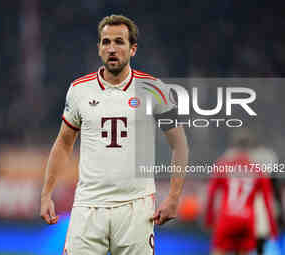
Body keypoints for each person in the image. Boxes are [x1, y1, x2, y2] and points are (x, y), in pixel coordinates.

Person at [40, 14, 189, 255]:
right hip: (89, 206)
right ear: (98, 48)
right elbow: (64, 144)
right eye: (106, 42)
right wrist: (46, 194)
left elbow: (179, 145)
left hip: (136, 208)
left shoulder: (154, 89)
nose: (112, 48)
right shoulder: (79, 90)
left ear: (133, 49)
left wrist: (173, 197)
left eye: (119, 42)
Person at [205, 129, 278, 255]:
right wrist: (272, 228)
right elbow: (268, 200)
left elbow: (211, 193)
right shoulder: (258, 170)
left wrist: (209, 219)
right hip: (247, 221)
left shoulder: (223, 166)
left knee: (218, 251)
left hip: (226, 218)